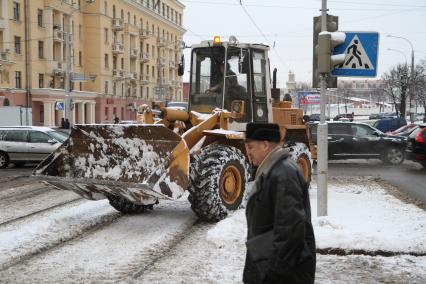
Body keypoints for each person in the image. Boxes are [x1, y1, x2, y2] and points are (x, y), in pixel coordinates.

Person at [243, 122, 316, 284]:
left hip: (281, 274)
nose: (247, 152)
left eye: (251, 147)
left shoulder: (283, 173)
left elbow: (290, 231)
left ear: (265, 145)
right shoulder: (272, 170)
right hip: (269, 265)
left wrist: (273, 274)